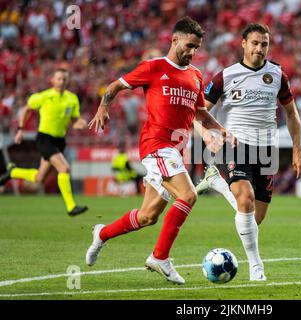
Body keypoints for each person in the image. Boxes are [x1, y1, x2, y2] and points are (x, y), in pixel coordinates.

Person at [85, 17, 236, 285]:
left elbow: (199, 114)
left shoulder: (196, 76)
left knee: (147, 216)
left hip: (176, 151)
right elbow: (115, 86)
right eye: (189, 45)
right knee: (188, 196)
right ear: (174, 39)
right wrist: (103, 107)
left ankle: (102, 234)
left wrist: (221, 130)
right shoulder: (154, 68)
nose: (192, 52)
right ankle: (160, 257)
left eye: (197, 48)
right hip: (157, 145)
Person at [194, 24, 301, 281]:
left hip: (267, 150)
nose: (259, 48)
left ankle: (217, 183)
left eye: (264, 44)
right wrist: (208, 136)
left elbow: (291, 113)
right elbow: (197, 112)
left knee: (255, 219)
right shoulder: (225, 76)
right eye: (255, 43)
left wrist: (297, 149)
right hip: (236, 146)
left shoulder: (278, 75)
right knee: (244, 198)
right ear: (243, 43)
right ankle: (256, 266)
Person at [0, 68, 88, 216]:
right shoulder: (44, 96)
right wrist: (20, 129)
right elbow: (26, 109)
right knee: (64, 168)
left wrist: (79, 123)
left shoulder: (72, 99)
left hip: (60, 140)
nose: (61, 81)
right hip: (44, 138)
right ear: (52, 80)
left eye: (64, 79)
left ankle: (12, 172)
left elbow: (74, 120)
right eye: (58, 78)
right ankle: (71, 206)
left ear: (67, 81)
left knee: (39, 179)